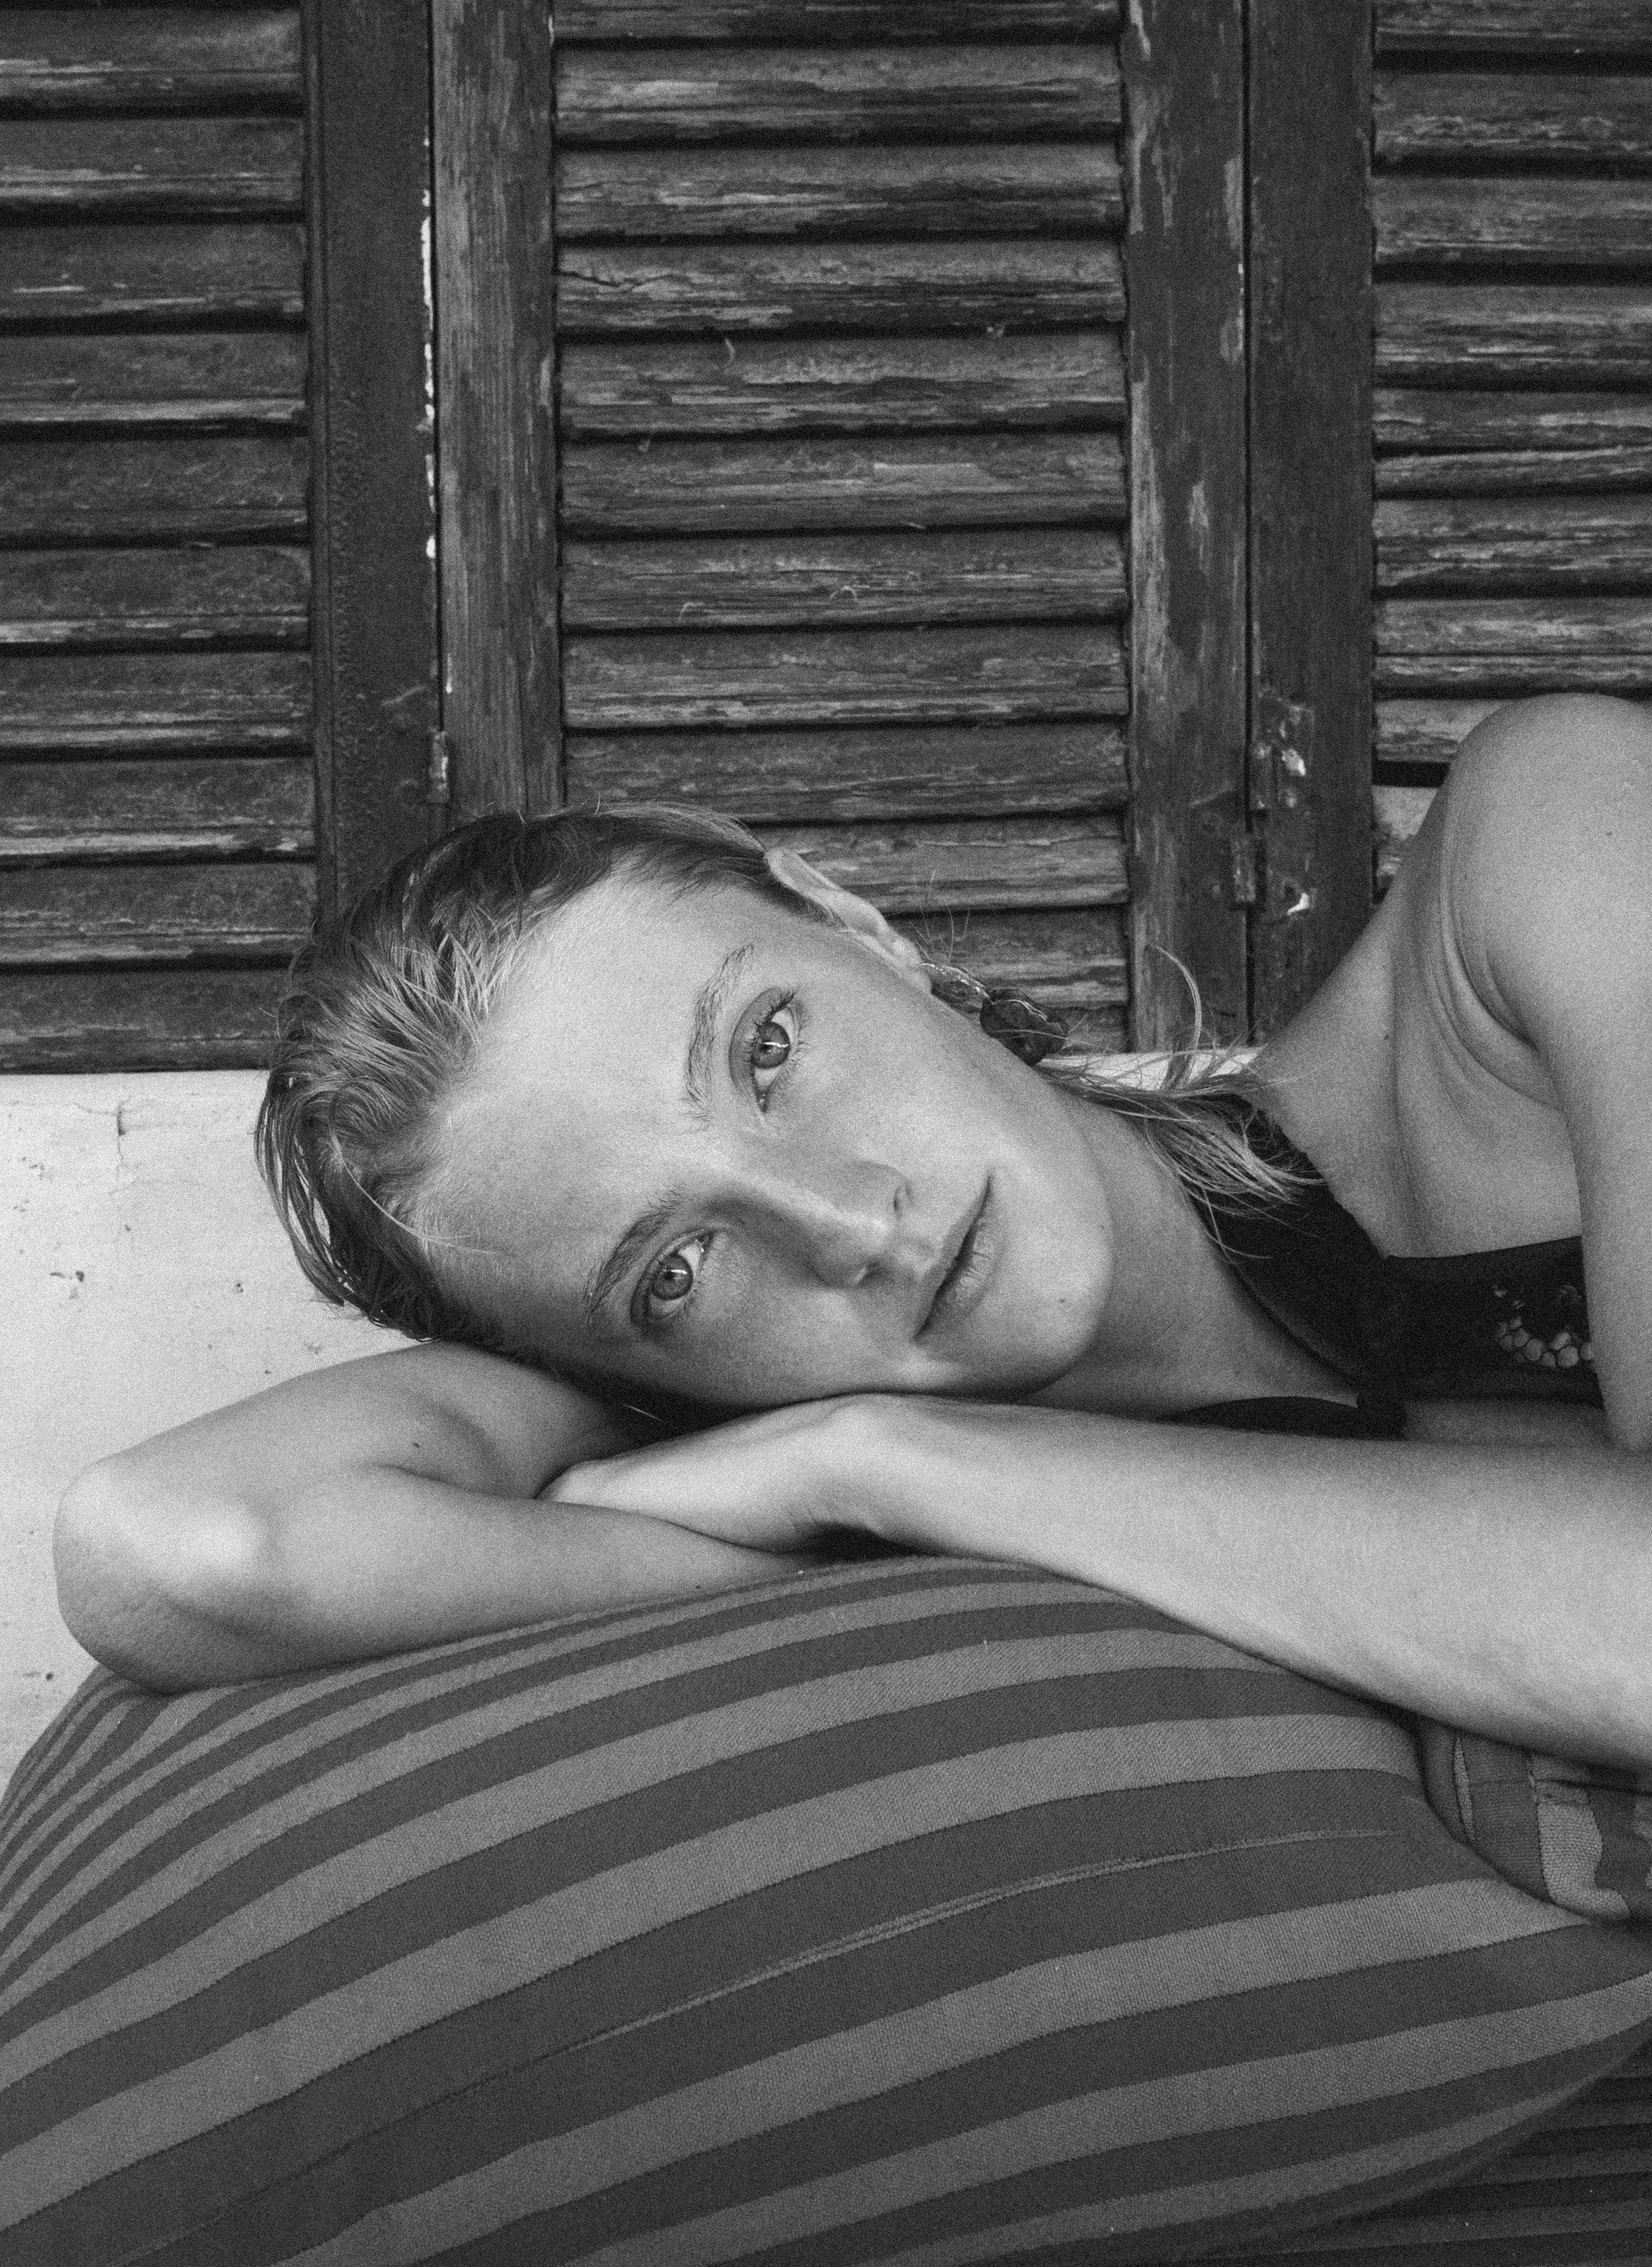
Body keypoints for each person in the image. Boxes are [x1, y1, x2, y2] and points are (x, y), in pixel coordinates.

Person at [53, 695, 1652, 1767]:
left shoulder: (1546, 851)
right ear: (654, 1381)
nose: (843, 1226)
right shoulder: (752, 1427)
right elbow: (182, 1545)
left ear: (858, 927)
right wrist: (850, 1467)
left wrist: (899, 1468)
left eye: (765, 1049)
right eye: (673, 1270)